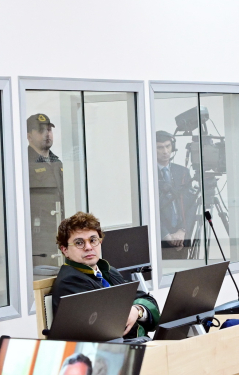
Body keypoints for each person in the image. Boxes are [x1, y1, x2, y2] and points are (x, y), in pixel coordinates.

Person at [49, 212, 159, 338]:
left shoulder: (108, 271)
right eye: (79, 243)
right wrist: (132, 312)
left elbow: (148, 300)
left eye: (93, 240)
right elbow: (112, 324)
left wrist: (137, 310)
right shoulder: (70, 281)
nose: (88, 247)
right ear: (65, 250)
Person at [27, 113, 65, 270]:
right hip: (38, 234)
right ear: (29, 136)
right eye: (41, 131)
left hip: (59, 228)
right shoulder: (24, 162)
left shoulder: (57, 162)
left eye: (49, 130)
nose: (47, 134)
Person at [155, 131, 196, 252]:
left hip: (182, 238)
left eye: (168, 146)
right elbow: (150, 209)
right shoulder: (147, 174)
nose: (165, 151)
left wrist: (182, 231)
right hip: (159, 238)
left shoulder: (182, 172)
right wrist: (165, 235)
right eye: (160, 147)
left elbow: (191, 205)